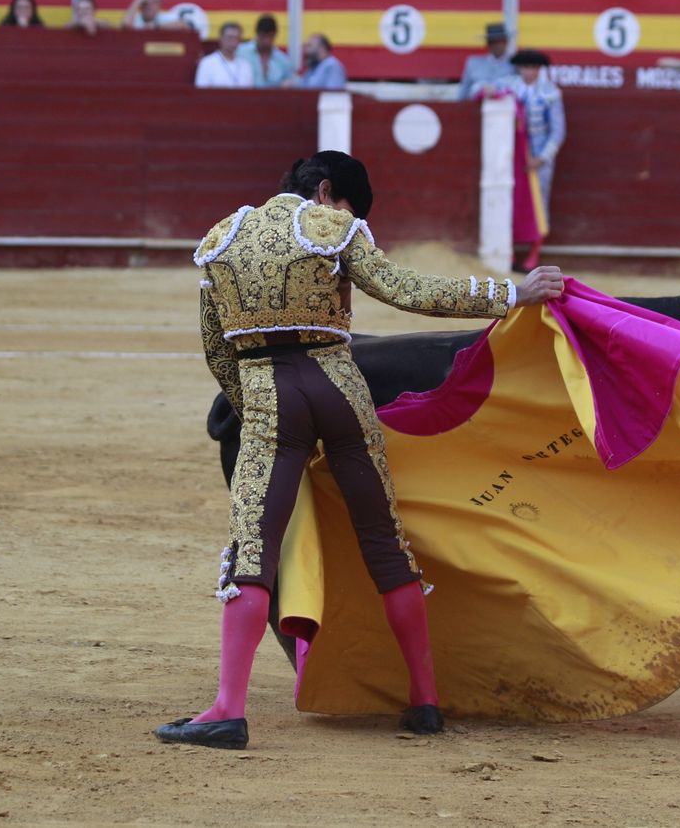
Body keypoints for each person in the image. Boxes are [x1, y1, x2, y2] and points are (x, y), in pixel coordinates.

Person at [157, 151, 564, 751]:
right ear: (326, 192)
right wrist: (510, 293)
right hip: (340, 387)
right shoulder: (334, 227)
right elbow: (406, 290)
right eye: (346, 204)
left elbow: (217, 350)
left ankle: (227, 709)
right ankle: (424, 701)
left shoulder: (221, 240)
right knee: (384, 540)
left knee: (253, 547)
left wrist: (261, 423)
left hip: (269, 389)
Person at [493, 50, 565, 271]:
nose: (528, 71)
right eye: (525, 67)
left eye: (532, 67)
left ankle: (533, 255)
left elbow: (558, 130)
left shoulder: (550, 92)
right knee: (510, 201)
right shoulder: (507, 86)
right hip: (510, 156)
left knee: (538, 204)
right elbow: (478, 90)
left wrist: (542, 158)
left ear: (539, 69)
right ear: (519, 68)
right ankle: (510, 253)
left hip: (538, 160)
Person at [459, 24, 515, 101]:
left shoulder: (515, 64)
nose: (497, 45)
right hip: (477, 109)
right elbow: (464, 91)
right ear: (488, 44)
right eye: (493, 42)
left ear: (506, 42)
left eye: (500, 41)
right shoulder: (474, 63)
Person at [237, 14, 295, 87]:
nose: (266, 41)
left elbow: (291, 82)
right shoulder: (240, 53)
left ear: (275, 35)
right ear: (257, 34)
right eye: (263, 36)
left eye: (270, 36)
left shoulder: (283, 61)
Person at [195, 22, 254, 88]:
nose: (233, 42)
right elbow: (201, 93)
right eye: (229, 38)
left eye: (236, 38)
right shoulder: (207, 63)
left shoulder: (246, 66)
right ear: (221, 38)